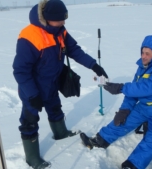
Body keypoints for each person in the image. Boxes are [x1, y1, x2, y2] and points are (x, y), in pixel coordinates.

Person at [12, 0, 108, 168]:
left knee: (55, 107)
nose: (63, 23)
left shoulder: (60, 31)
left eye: (64, 19)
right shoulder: (29, 37)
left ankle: (60, 133)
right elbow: (20, 70)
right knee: (30, 120)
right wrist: (32, 94)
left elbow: (74, 50)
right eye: (60, 19)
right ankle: (32, 158)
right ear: (48, 18)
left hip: (51, 83)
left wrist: (94, 65)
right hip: (32, 89)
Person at [82, 35, 152, 169]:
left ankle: (132, 165)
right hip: (146, 106)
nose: (144, 56)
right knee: (122, 121)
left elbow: (146, 88)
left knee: (151, 139)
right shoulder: (143, 66)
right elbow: (135, 91)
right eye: (142, 52)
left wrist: (121, 88)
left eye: (147, 53)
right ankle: (99, 140)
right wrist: (125, 110)